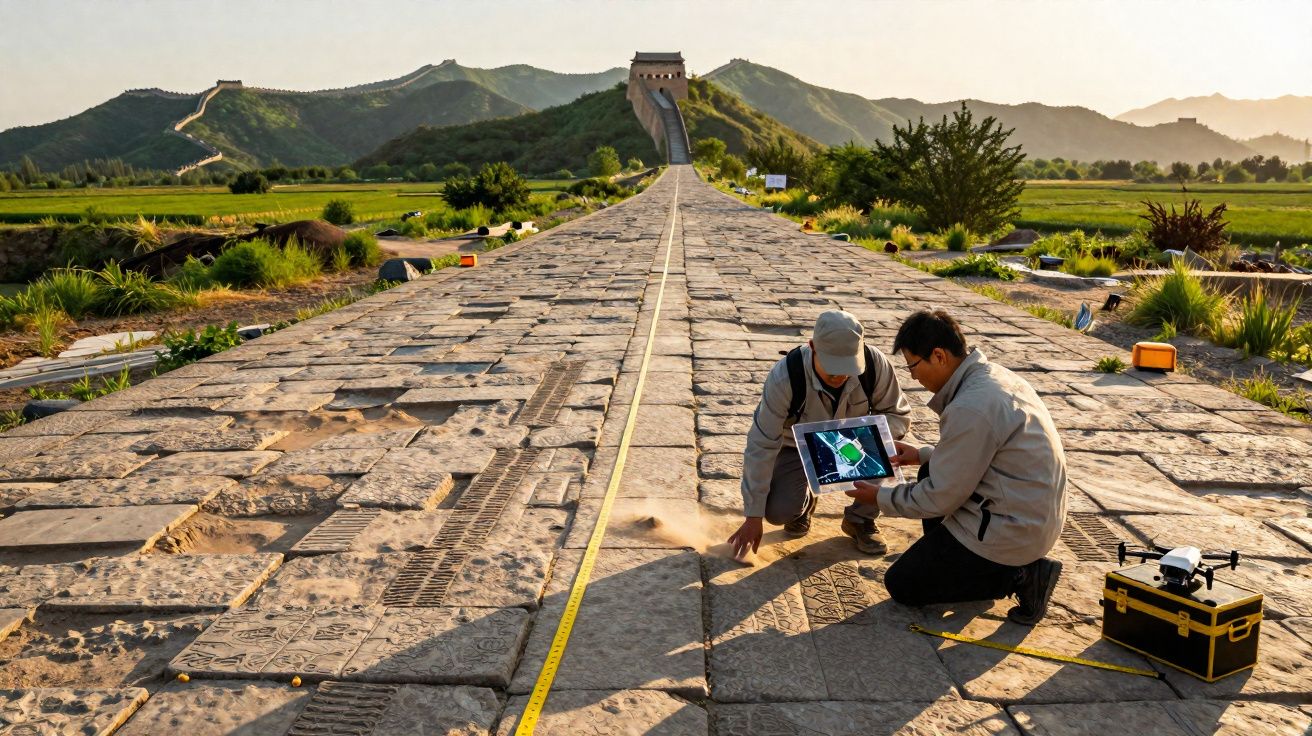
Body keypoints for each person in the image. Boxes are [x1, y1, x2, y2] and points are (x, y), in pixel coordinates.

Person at [846, 309, 1067, 625]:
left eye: (913, 365)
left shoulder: (971, 406)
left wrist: (879, 498)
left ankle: (1021, 575)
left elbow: (940, 497)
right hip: (1029, 511)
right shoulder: (993, 377)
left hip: (1014, 530)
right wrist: (923, 455)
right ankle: (958, 562)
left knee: (903, 585)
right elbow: (979, 454)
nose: (913, 376)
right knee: (928, 471)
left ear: (938, 356)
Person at [729, 310, 911, 558]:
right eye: (832, 369)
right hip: (795, 446)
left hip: (855, 442)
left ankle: (861, 519)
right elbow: (761, 445)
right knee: (778, 512)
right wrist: (753, 516)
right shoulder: (785, 377)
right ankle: (803, 505)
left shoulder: (875, 364)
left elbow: (898, 415)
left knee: (891, 446)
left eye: (848, 368)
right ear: (813, 347)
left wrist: (865, 437)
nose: (840, 376)